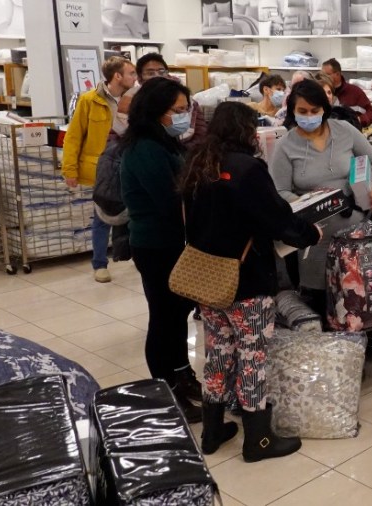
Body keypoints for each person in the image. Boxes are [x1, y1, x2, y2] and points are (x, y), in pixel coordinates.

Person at [180, 101, 322, 459]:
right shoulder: (248, 169)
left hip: (207, 278)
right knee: (252, 357)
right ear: (245, 131)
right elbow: (276, 219)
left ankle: (212, 431)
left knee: (218, 354)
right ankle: (259, 439)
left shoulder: (199, 163)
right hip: (246, 281)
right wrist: (309, 233)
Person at [119, 77, 202, 423]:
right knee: (163, 317)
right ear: (157, 111)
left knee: (177, 313)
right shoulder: (145, 149)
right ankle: (164, 388)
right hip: (155, 245)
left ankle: (182, 375)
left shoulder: (165, 142)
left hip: (172, 243)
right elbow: (170, 201)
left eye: (186, 110)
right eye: (178, 111)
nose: (184, 117)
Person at [270, 79, 372, 319]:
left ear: (325, 108)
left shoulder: (345, 131)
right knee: (322, 303)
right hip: (315, 240)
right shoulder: (285, 146)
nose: (309, 116)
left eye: (315, 111)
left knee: (358, 295)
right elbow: (279, 190)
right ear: (292, 110)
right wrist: (310, 203)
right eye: (302, 111)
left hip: (355, 233)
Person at [62, 56, 137, 283]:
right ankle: (100, 264)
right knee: (103, 214)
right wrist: (70, 169)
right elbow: (73, 137)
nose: (135, 77)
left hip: (131, 162)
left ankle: (132, 254)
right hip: (102, 167)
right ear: (117, 76)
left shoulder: (136, 100)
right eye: (131, 73)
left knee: (134, 210)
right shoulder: (90, 101)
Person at [117, 53, 208, 149]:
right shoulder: (129, 101)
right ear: (140, 78)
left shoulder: (186, 99)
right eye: (150, 73)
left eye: (161, 71)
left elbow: (201, 134)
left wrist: (183, 152)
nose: (157, 76)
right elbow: (118, 136)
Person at [321, 58, 372, 128]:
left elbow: (371, 112)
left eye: (326, 74)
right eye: (322, 75)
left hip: (351, 133)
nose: (323, 78)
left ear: (337, 74)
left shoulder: (355, 92)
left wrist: (359, 120)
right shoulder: (318, 92)